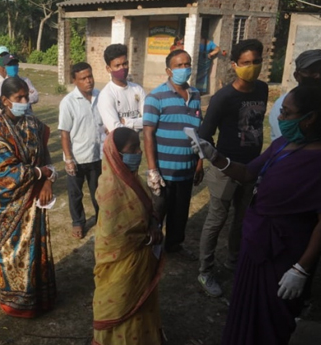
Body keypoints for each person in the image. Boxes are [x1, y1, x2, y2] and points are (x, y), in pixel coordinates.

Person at [191, 85, 321, 345]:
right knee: (245, 308)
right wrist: (215, 157)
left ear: (309, 119)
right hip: (257, 244)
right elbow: (248, 173)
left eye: (287, 112)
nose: (281, 118)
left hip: (283, 252)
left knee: (271, 318)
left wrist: (301, 268)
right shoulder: (282, 144)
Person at [0, 77, 57, 318]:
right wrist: (38, 173)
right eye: (19, 98)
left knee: (35, 247)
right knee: (13, 251)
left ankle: (38, 297)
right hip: (6, 201)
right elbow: (3, 170)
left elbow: (46, 158)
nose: (25, 102)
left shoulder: (32, 123)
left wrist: (47, 180)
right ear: (5, 101)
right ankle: (16, 301)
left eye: (26, 97)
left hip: (34, 198)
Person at [196, 39, 268, 297]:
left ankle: (234, 262)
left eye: (256, 62)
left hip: (252, 166)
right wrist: (215, 162)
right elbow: (204, 135)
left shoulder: (263, 89)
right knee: (217, 219)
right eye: (246, 63)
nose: (252, 67)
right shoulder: (223, 97)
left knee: (242, 218)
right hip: (225, 168)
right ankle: (205, 271)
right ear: (235, 65)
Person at [92, 127, 165, 345]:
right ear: (115, 153)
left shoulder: (133, 180)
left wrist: (152, 222)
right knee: (119, 303)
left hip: (140, 259)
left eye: (139, 146)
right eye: (132, 148)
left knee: (141, 306)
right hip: (120, 260)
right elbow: (116, 235)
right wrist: (148, 238)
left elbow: (147, 209)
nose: (139, 152)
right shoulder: (109, 187)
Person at [143, 49, 203, 261]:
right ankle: (153, 251)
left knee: (180, 213)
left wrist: (199, 163)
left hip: (187, 168)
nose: (184, 68)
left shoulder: (195, 95)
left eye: (187, 64)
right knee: (157, 213)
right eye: (178, 65)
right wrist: (152, 170)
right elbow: (148, 133)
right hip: (164, 171)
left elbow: (199, 132)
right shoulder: (155, 96)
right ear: (168, 70)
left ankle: (174, 245)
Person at [269, 49, 321, 153]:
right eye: (312, 71)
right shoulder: (286, 105)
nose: (318, 76)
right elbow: (289, 142)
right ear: (297, 76)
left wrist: (319, 146)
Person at [58, 62, 103, 239]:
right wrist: (69, 159)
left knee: (98, 192)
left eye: (90, 76)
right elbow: (64, 134)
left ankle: (102, 220)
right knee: (75, 194)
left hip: (97, 156)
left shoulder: (101, 96)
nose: (88, 81)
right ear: (74, 81)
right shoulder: (68, 102)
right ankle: (78, 222)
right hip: (77, 158)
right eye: (83, 78)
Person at [97, 44, 147, 134]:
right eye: (117, 66)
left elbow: (148, 121)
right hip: (116, 147)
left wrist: (127, 121)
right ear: (108, 69)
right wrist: (137, 123)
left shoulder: (138, 89)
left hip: (136, 145)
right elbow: (115, 129)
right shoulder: (107, 95)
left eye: (125, 64)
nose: (122, 68)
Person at [0, 51, 39, 118]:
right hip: (8, 117)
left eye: (15, 64)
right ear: (4, 68)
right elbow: (3, 101)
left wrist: (19, 100)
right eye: (10, 65)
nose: (13, 66)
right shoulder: (3, 84)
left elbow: (35, 96)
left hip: (27, 116)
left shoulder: (25, 81)